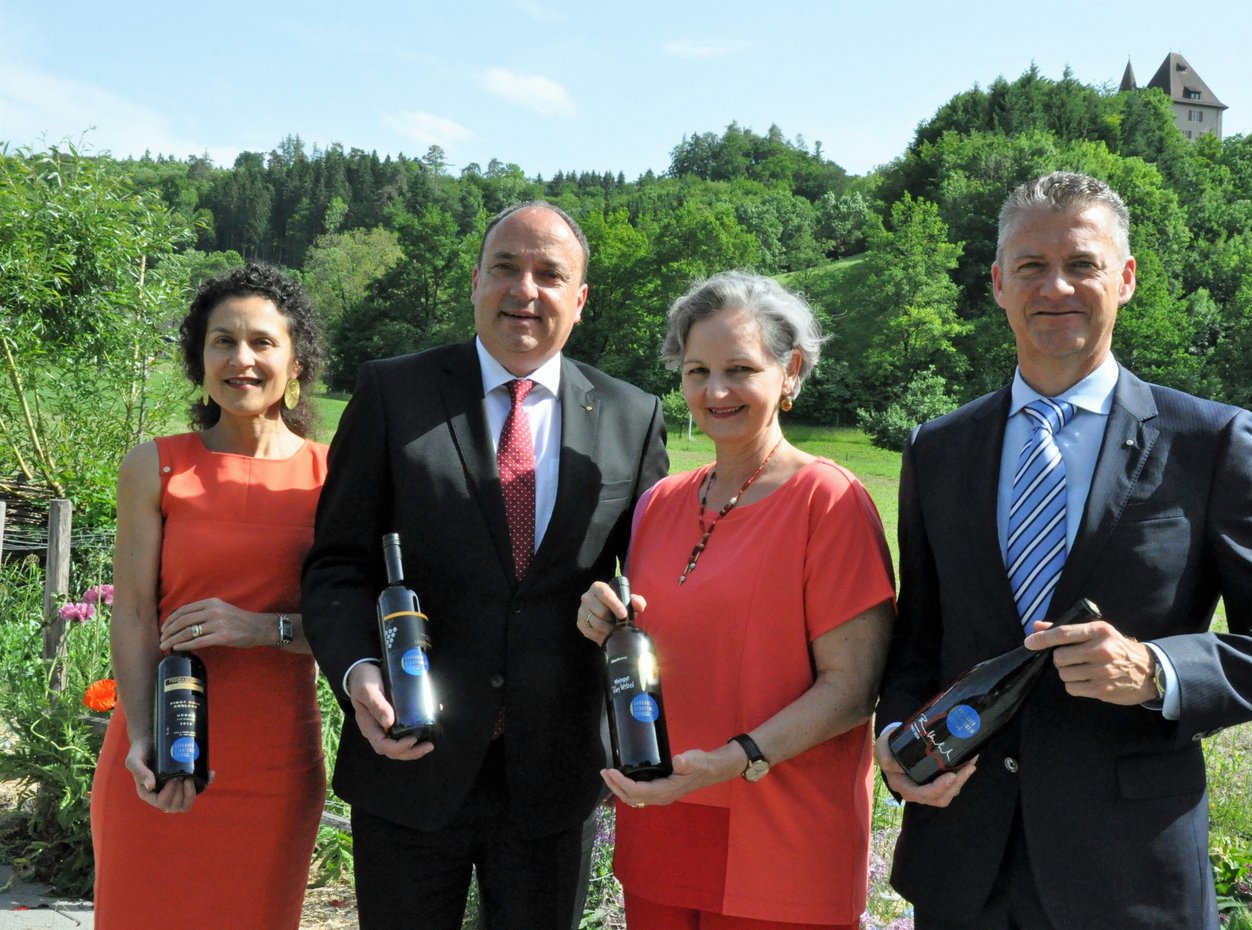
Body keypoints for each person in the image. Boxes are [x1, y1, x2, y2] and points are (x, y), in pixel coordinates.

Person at [873, 171, 1252, 929]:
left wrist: (1158, 670)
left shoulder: (1208, 443)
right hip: (965, 869)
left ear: (1124, 279)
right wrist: (897, 739)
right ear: (997, 283)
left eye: (1082, 264)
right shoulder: (938, 448)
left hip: (1131, 879)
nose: (1055, 286)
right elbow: (920, 637)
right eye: (1030, 266)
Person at [300, 201, 669, 930]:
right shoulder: (391, 394)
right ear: (474, 280)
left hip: (554, 776)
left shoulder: (635, 417)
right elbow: (337, 564)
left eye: (549, 274)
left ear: (580, 299)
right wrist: (355, 671)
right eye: (505, 267)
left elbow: (649, 584)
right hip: (408, 752)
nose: (524, 290)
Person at [577, 271, 896, 930]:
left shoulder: (828, 502)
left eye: (739, 369)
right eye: (698, 370)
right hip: (666, 819)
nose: (715, 391)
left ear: (791, 371)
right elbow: (653, 648)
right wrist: (601, 621)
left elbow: (853, 686)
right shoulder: (660, 503)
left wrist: (733, 760)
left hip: (782, 837)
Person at [90, 263, 329, 929]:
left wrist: (261, 628)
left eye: (262, 342)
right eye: (221, 341)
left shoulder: (332, 476)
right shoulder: (154, 466)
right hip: (159, 754)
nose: (241, 359)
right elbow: (135, 610)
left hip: (275, 764)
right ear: (199, 358)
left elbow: (356, 626)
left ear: (296, 359)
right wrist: (142, 734)